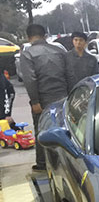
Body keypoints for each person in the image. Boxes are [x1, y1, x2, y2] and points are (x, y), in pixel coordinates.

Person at [20, 24, 69, 171]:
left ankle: (42, 163)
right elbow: (69, 74)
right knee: (63, 130)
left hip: (43, 99)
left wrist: (35, 101)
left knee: (42, 130)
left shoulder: (28, 54)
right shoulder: (59, 51)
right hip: (63, 96)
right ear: (45, 36)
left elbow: (30, 80)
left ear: (29, 37)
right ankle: (65, 163)